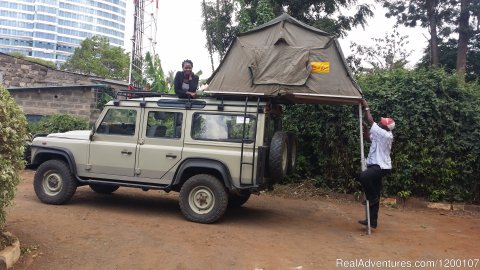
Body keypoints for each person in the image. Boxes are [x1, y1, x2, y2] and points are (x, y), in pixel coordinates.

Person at [358, 99, 395, 229]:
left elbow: (370, 121)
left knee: (364, 177)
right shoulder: (380, 134)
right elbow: (369, 139)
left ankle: (372, 197)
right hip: (375, 165)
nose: (380, 122)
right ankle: (372, 221)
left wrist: (366, 107)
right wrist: (365, 130)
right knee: (375, 191)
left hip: (381, 167)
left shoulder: (386, 135)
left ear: (385, 127)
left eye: (382, 122)